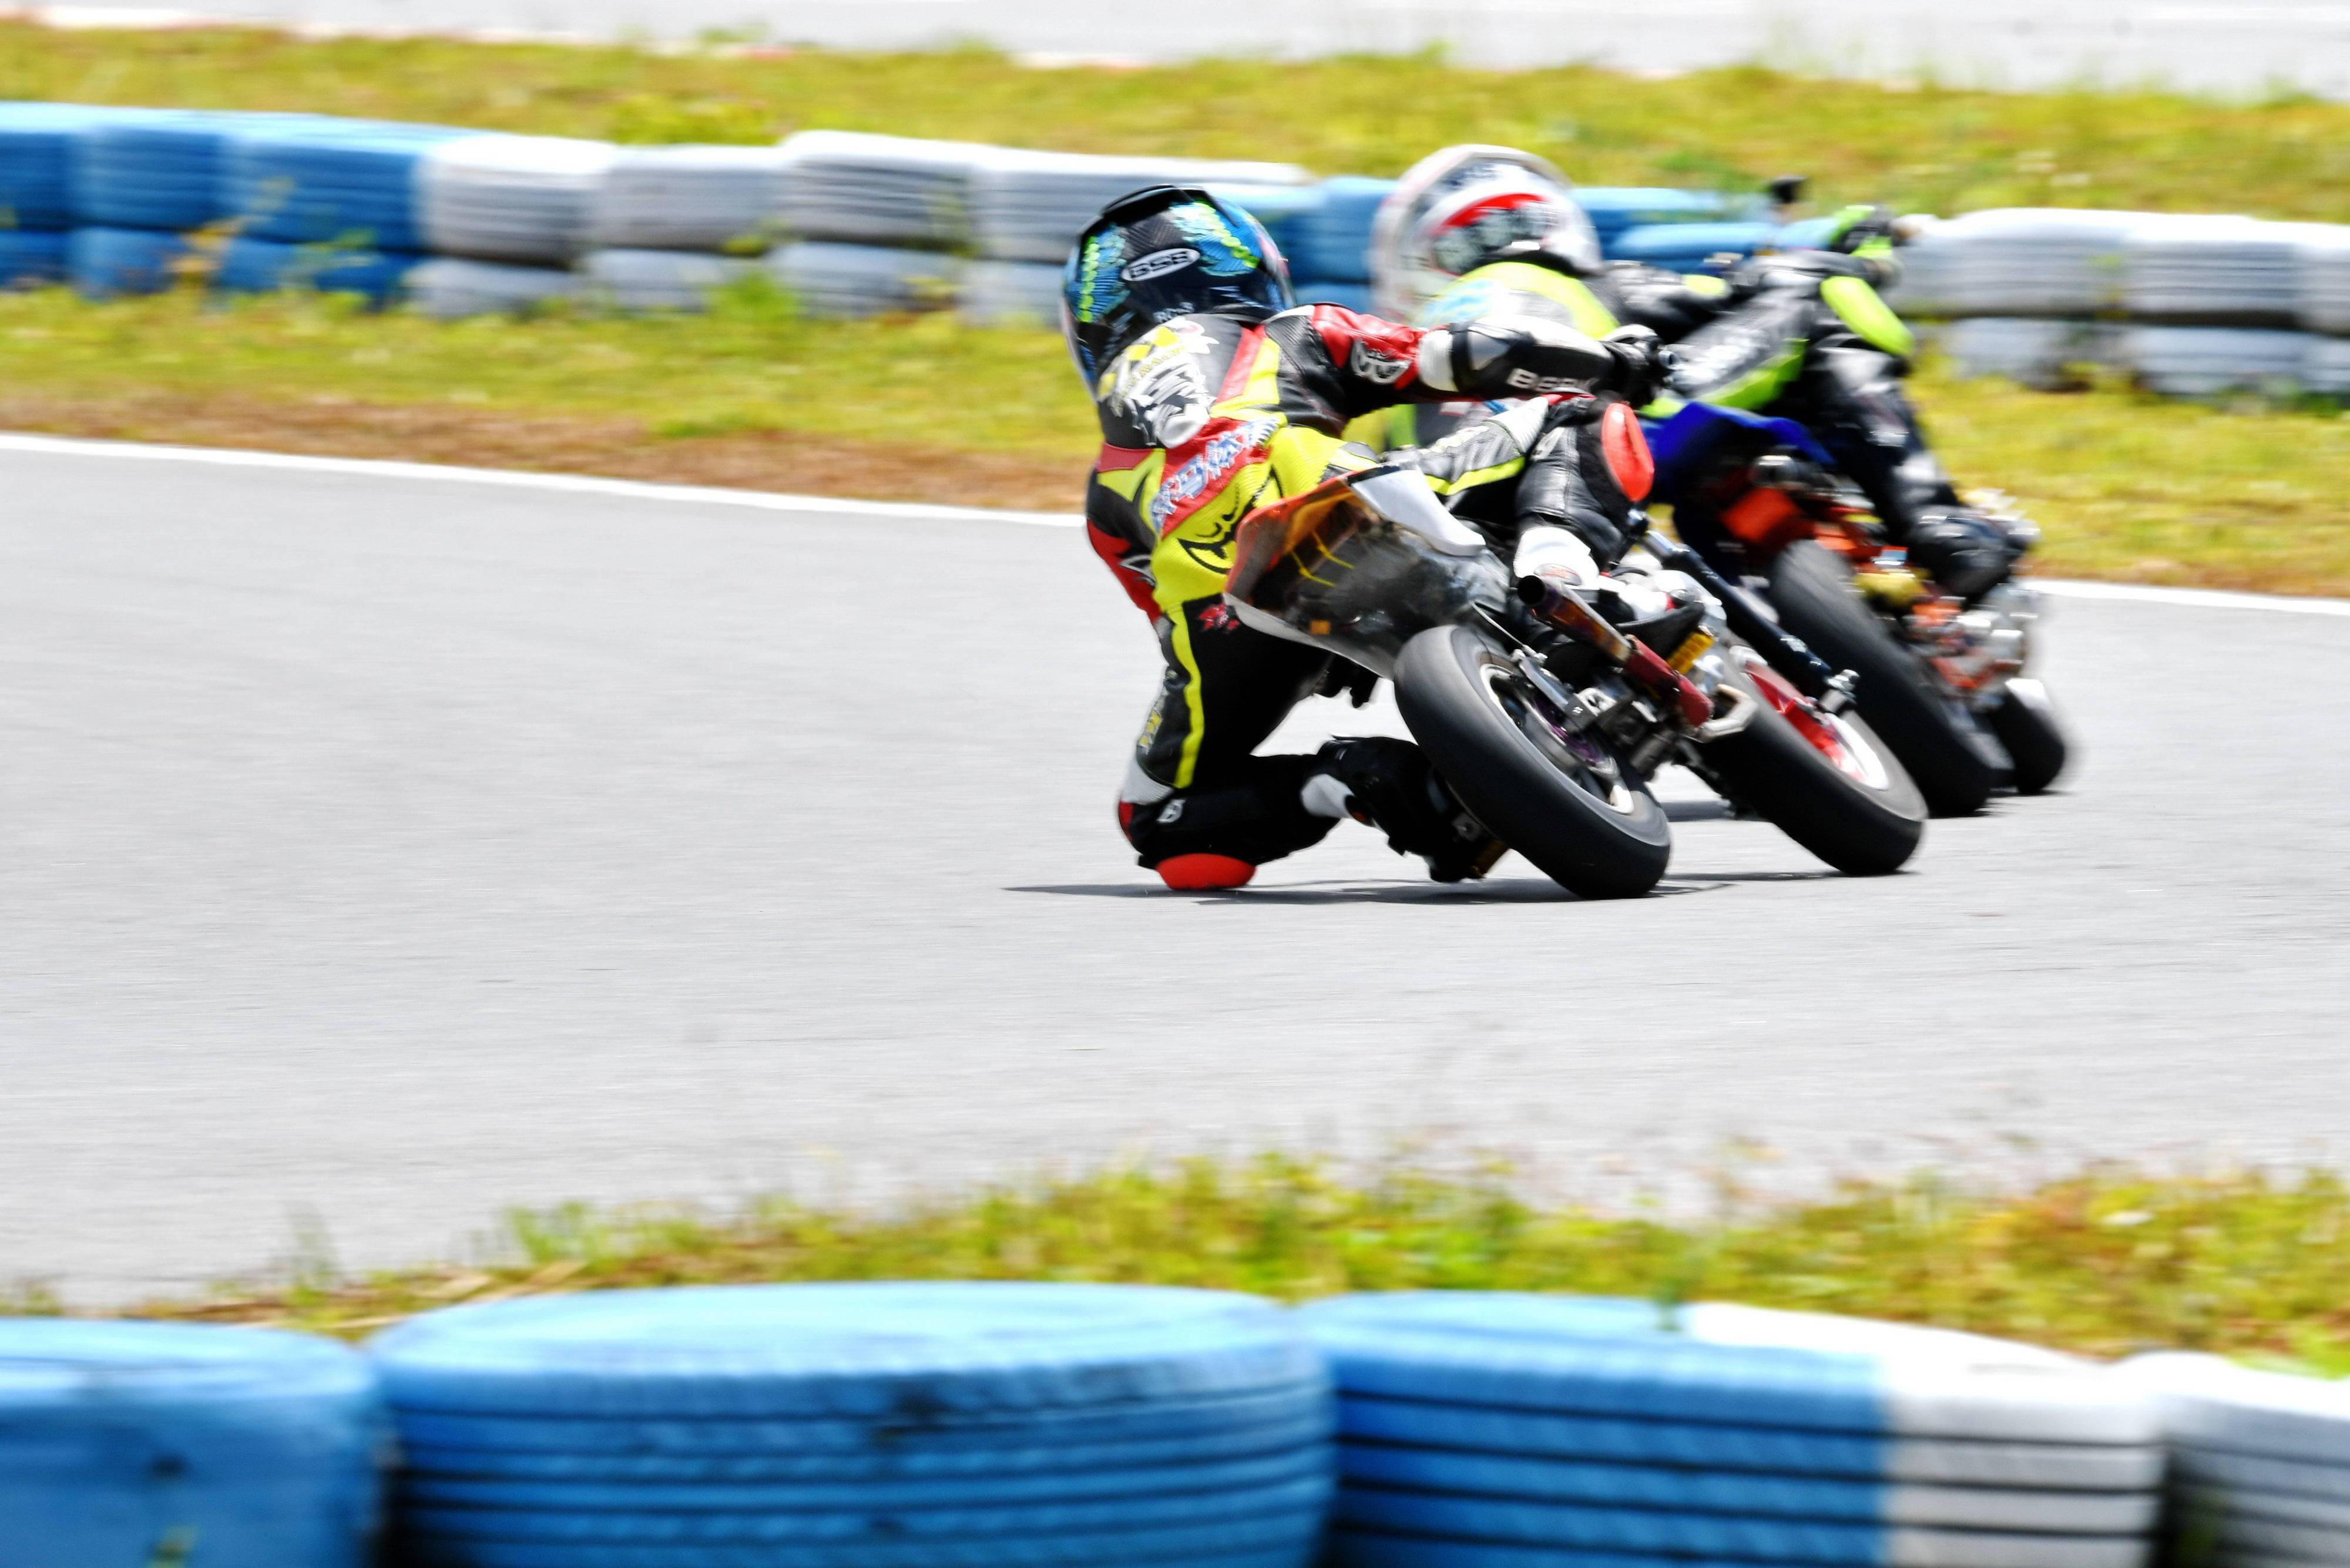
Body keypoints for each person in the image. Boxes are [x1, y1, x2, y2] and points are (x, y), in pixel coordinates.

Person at [1064, 183, 1667, 892]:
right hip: (1352, 502)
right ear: (1249, 268)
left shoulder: (1104, 491)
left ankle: (1350, 782)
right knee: (1575, 407)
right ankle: (1563, 580)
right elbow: (1473, 353)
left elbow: (1169, 624)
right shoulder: (1295, 331)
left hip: (1229, 615)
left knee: (1154, 816)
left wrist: (1308, 657)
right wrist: (1615, 362)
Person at [1365, 145, 2026, 602]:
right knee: (1814, 292)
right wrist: (1851, 254)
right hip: (1614, 427)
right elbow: (1736, 293)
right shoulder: (1584, 282)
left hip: (1461, 500)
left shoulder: (1400, 350)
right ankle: (1935, 521)